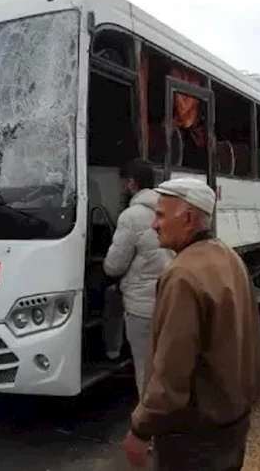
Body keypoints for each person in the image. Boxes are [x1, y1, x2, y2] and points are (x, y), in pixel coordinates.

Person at [122, 178, 260, 470]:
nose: (154, 224)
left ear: (188, 219)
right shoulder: (229, 257)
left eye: (161, 215)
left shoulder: (183, 274)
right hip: (233, 424)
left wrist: (140, 429)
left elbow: (172, 370)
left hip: (193, 437)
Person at [102, 159, 173, 394]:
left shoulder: (131, 216)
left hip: (142, 308)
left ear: (131, 183)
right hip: (170, 301)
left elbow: (114, 266)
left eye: (122, 182)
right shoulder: (169, 210)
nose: (121, 187)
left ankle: (149, 423)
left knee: (145, 369)